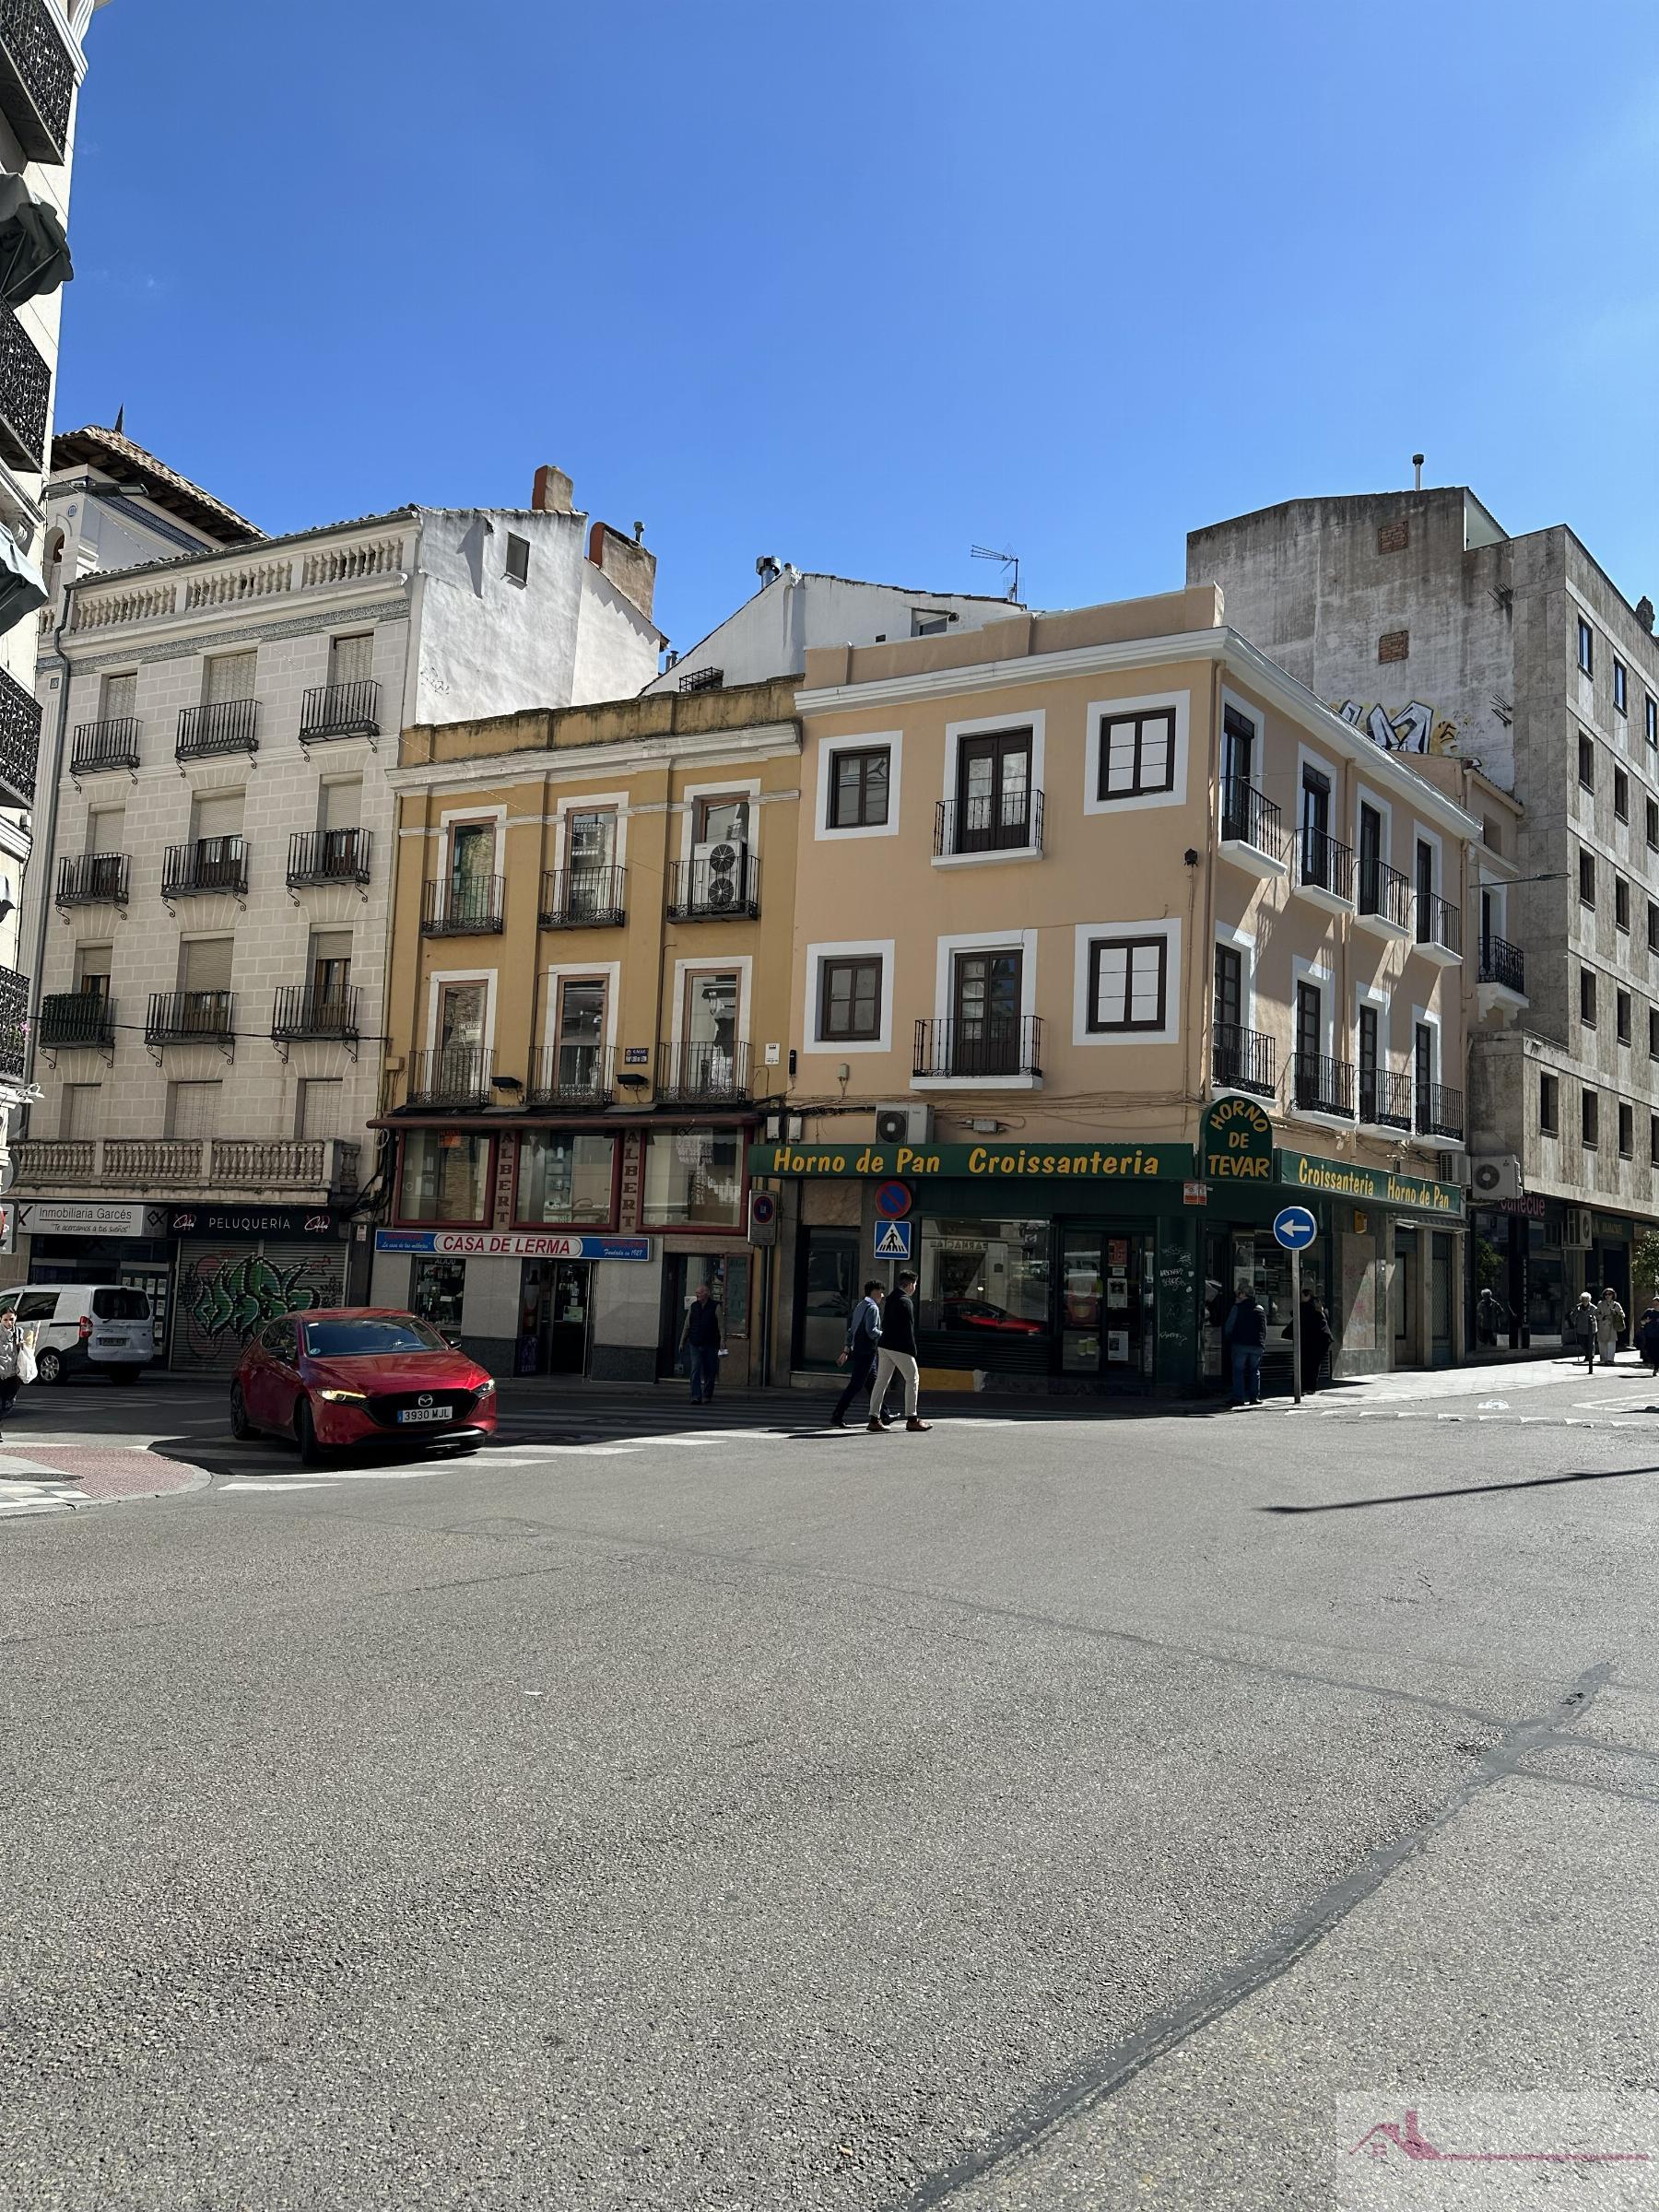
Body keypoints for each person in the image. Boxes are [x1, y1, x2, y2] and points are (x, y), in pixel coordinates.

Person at [869, 1268, 931, 1433]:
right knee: (913, 1378)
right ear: (910, 1285)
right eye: (915, 1284)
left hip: (884, 1345)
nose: (915, 1288)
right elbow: (907, 1329)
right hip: (900, 1346)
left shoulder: (891, 1298)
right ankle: (912, 1418)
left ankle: (874, 1419)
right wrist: (912, 1350)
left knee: (881, 1381)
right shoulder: (906, 1301)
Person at [831, 1281, 885, 1429]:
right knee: (855, 1385)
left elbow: (852, 1329)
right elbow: (872, 1331)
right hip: (867, 1351)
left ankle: (884, 1413)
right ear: (874, 1292)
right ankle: (837, 1415)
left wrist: (846, 1349)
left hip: (859, 1350)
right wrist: (885, 1334)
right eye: (880, 1292)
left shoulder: (860, 1306)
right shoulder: (873, 1308)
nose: (882, 1295)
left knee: (873, 1384)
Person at [680, 1280, 724, 1406]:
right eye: (696, 1293)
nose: (697, 1294)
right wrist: (682, 1341)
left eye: (699, 1293)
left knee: (710, 1370)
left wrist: (722, 1340)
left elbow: (721, 1326)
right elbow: (687, 1325)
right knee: (695, 1369)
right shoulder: (694, 1306)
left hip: (711, 1344)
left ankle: (707, 1395)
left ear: (706, 1294)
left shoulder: (716, 1306)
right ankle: (695, 1396)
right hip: (695, 1343)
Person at [1223, 1284, 1266, 1407]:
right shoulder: (1260, 1309)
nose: (1237, 1296)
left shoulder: (1237, 1308)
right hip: (1257, 1344)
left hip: (1240, 1343)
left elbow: (1229, 1326)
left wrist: (1229, 1338)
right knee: (1255, 1371)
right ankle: (1254, 1396)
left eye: (1239, 1293)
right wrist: (1262, 1343)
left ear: (1243, 1295)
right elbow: (1264, 1329)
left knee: (1238, 1371)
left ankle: (1238, 1397)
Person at [1297, 1287, 1334, 1394]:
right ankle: (1311, 1388)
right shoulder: (1318, 1306)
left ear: (1307, 1296)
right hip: (1322, 1340)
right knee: (1314, 1365)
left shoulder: (1305, 1307)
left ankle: (1304, 1387)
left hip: (1311, 1341)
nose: (1300, 1299)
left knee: (1306, 1365)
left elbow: (1295, 1315)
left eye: (1302, 1296)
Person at [1595, 1284, 1626, 1370]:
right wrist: (1603, 1317)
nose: (1608, 1296)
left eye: (1610, 1294)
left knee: (1611, 1343)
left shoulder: (1616, 1304)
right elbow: (1596, 1314)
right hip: (1602, 1325)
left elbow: (1623, 1315)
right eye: (1606, 1294)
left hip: (1612, 1326)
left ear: (1613, 1295)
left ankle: (1610, 1360)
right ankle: (1603, 1359)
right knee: (1602, 1343)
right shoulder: (1600, 1304)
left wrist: (1615, 1313)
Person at [1569, 1290, 1597, 1371]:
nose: (1585, 1302)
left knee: (1590, 1343)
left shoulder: (1593, 1308)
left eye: (1586, 1300)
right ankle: (1588, 1354)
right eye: (1583, 1300)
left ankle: (1589, 1356)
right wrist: (1574, 1318)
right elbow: (1572, 1316)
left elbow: (1598, 1316)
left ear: (1589, 1300)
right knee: (1582, 1342)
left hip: (1591, 1329)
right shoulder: (1578, 1307)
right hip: (1581, 1328)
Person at [1635, 1301, 1659, 1377]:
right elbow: (1642, 1322)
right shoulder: (1649, 1312)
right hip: (1649, 1335)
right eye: (1654, 1303)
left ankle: (1656, 1369)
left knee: (1656, 1353)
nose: (1655, 1305)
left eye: (1657, 1303)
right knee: (1649, 1351)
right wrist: (1645, 1321)